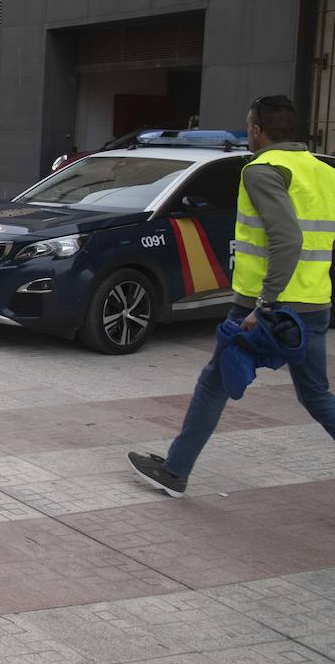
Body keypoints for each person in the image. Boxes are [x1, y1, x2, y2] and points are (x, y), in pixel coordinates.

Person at [129, 95, 335, 497]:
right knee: (315, 393)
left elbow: (288, 239)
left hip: (266, 306)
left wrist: (266, 303)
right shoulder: (323, 171)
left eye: (249, 125)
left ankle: (175, 472)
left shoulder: (262, 170)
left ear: (258, 130)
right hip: (313, 303)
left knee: (213, 383)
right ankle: (175, 468)